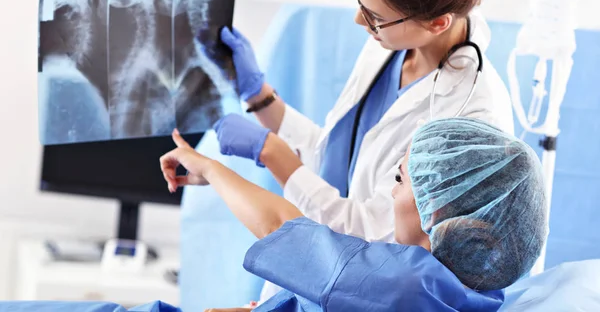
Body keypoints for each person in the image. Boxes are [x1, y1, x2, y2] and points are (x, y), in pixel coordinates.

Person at [210, 0, 520, 302]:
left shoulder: (471, 118)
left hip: (366, 289)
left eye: (374, 17)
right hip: (317, 265)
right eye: (361, 1)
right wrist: (258, 95)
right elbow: (336, 155)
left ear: (438, 22)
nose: (360, 20)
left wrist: (271, 152)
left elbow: (369, 232)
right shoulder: (392, 43)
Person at [162, 118, 548, 312]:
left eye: (401, 179)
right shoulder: (473, 291)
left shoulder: (406, 284)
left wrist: (210, 167)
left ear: (448, 221)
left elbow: (280, 227)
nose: (392, 191)